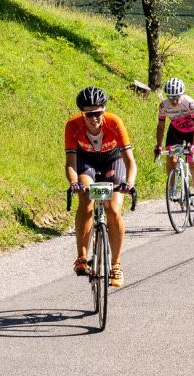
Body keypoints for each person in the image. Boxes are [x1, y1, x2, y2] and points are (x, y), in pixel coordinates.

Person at [64, 86, 137, 288]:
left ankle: (116, 265)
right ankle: (81, 257)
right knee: (86, 199)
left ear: (104, 110)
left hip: (112, 160)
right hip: (86, 161)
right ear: (82, 113)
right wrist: (74, 183)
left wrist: (129, 183)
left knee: (113, 208)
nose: (94, 118)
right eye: (89, 114)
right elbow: (71, 162)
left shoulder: (114, 123)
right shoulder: (72, 126)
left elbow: (130, 161)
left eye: (98, 113)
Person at [155, 77, 194, 210]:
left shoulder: (190, 103)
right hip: (176, 132)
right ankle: (172, 187)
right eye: (170, 97)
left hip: (192, 132)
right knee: (171, 159)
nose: (174, 100)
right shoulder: (163, 105)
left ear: (182, 94)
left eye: (177, 97)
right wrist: (159, 145)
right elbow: (161, 126)